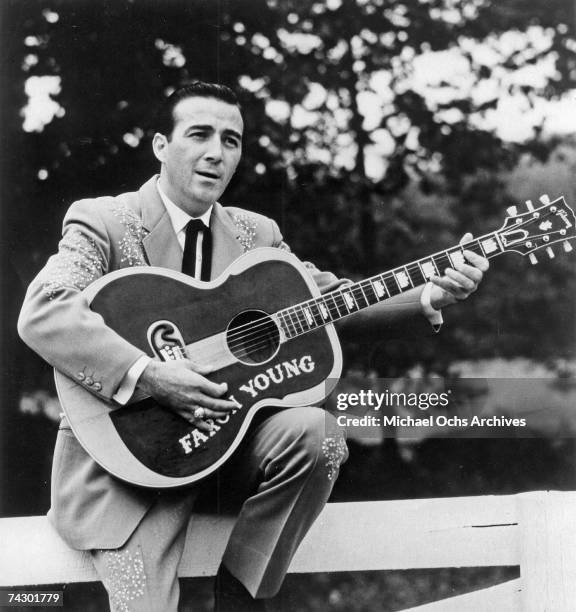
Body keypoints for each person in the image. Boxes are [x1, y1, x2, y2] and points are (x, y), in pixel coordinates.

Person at [18, 81, 488, 611]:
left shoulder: (254, 236)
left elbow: (327, 301)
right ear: (160, 145)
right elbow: (45, 309)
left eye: (232, 140)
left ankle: (241, 594)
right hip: (129, 469)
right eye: (199, 134)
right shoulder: (104, 221)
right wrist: (148, 374)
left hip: (228, 452)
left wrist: (429, 292)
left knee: (321, 436)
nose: (217, 153)